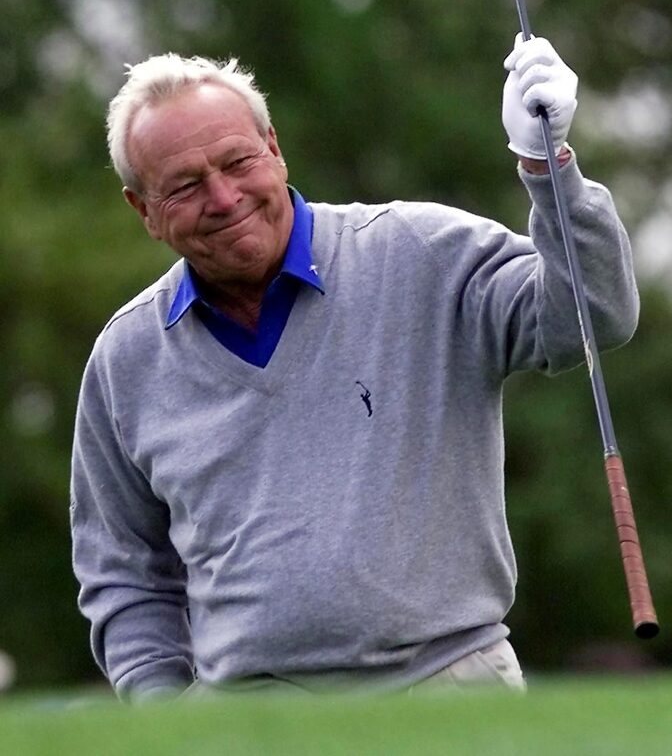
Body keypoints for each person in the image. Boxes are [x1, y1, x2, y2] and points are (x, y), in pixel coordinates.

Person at [70, 36, 638, 700]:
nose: (223, 198)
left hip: (450, 684)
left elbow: (591, 318)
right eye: (187, 186)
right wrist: (163, 715)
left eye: (237, 162)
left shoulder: (421, 253)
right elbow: (124, 571)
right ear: (144, 211)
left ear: (275, 151)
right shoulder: (126, 357)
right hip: (246, 717)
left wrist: (550, 168)